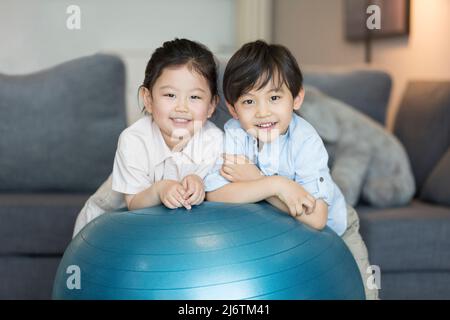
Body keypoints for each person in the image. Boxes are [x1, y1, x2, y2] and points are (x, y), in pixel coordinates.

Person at [204, 40, 378, 300]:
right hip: (283, 231)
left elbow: (317, 218)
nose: (263, 112)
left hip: (335, 229)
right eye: (249, 101)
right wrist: (277, 186)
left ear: (296, 98)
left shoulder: (305, 141)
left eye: (274, 98)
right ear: (232, 109)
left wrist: (259, 180)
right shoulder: (234, 133)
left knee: (364, 292)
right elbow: (216, 193)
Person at [72, 38, 223, 237]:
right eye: (170, 95)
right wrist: (160, 189)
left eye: (194, 97)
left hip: (164, 232)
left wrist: (200, 183)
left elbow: (219, 192)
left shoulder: (215, 141)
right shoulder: (134, 140)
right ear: (148, 99)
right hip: (108, 224)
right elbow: (134, 204)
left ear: (211, 105)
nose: (182, 107)